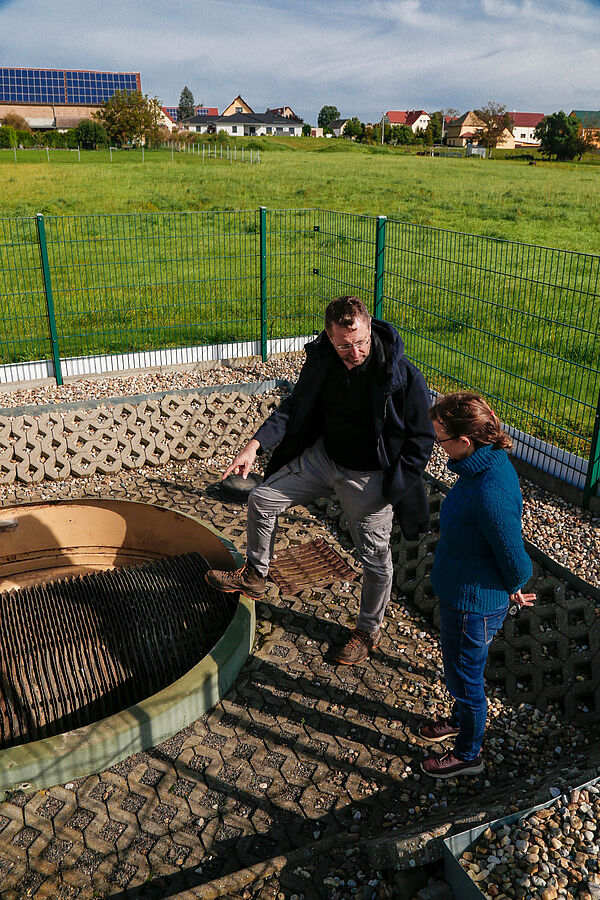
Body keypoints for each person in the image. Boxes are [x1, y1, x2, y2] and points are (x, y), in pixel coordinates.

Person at [206, 295, 434, 664]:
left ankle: (367, 629)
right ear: (329, 336)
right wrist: (255, 445)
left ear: (369, 327)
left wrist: (392, 487)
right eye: (345, 345)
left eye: (360, 341)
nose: (355, 351)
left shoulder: (401, 374)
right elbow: (295, 406)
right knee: (261, 500)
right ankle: (255, 576)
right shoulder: (323, 361)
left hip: (368, 477)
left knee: (374, 559)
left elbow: (422, 438)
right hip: (324, 459)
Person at [419, 392, 535, 779]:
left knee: (467, 680)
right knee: (459, 670)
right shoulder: (481, 466)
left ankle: (468, 755)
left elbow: (514, 556)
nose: (438, 446)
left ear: (464, 441)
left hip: (474, 607)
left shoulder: (489, 492)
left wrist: (515, 584)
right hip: (462, 594)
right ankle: (458, 719)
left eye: (441, 440)